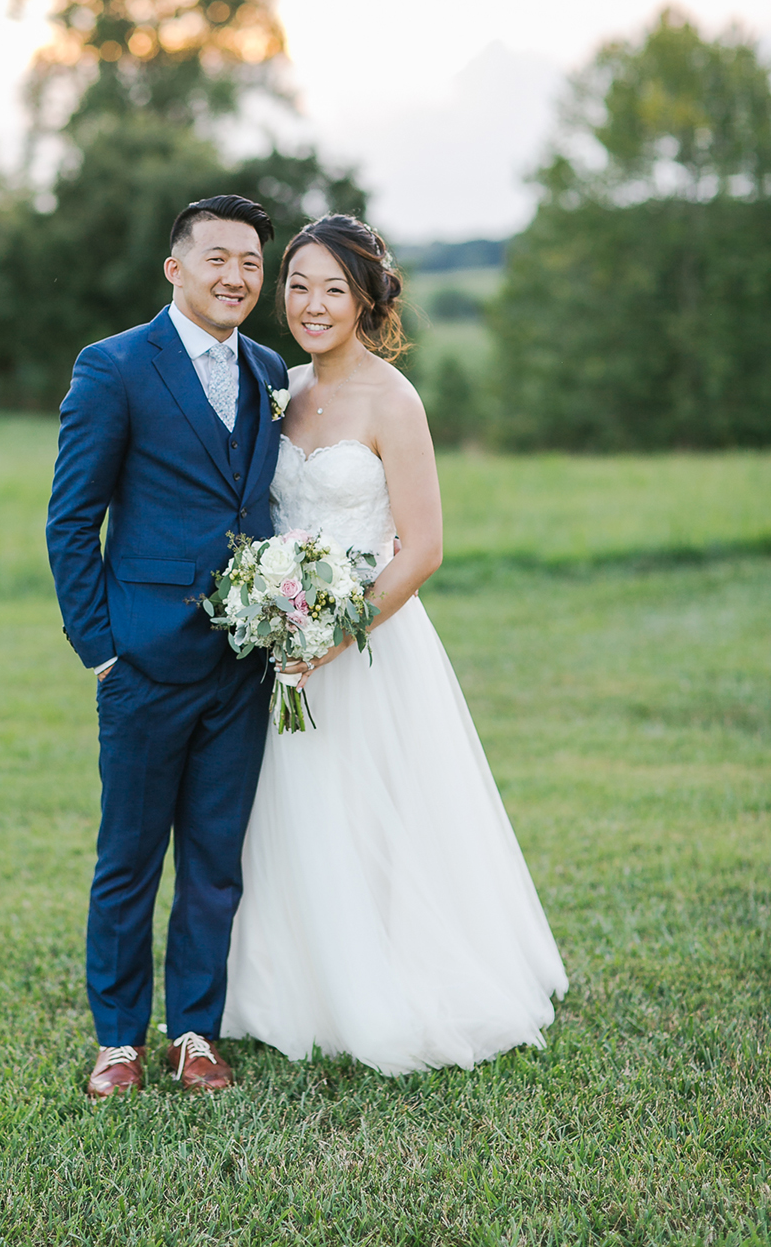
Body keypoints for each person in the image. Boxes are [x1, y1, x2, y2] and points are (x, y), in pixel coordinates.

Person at [222, 215, 568, 1073]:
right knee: (293, 818)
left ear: (367, 299)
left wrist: (332, 638)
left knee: (380, 819)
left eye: (332, 288)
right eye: (297, 284)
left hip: (370, 645)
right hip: (283, 648)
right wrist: (275, 618)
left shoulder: (394, 399)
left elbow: (423, 548)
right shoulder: (278, 386)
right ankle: (293, 984)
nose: (310, 303)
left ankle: (391, 981)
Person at [46, 195, 289, 1098]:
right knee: (130, 860)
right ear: (175, 268)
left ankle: (194, 1030)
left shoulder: (271, 370)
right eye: (218, 259)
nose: (237, 277)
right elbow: (72, 519)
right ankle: (118, 1041)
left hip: (244, 664)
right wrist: (101, 647)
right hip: (145, 661)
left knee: (216, 861)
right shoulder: (113, 367)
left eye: (251, 265)